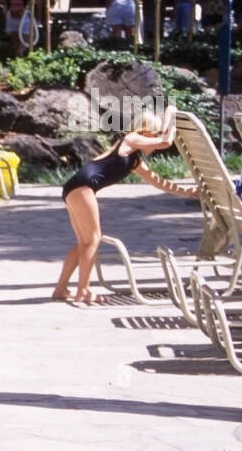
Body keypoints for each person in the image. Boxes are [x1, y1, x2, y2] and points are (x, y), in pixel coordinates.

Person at [52, 105, 199, 304]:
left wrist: (188, 192)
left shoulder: (134, 160)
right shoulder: (131, 139)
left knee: (84, 243)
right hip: (83, 187)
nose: (154, 144)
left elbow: (158, 182)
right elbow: (166, 141)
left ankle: (61, 289)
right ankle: (83, 291)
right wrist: (170, 114)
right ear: (144, 130)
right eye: (153, 135)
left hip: (76, 188)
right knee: (93, 240)